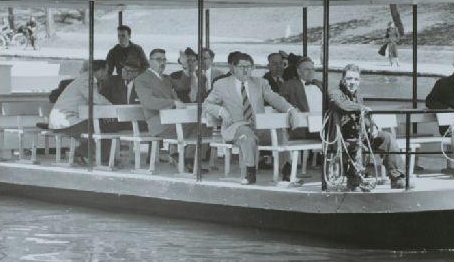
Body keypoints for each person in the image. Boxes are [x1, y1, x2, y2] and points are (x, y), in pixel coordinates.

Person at [203, 52, 298, 185]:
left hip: (257, 127)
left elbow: (274, 98)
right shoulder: (221, 84)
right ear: (233, 68)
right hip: (235, 127)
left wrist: (290, 109)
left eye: (248, 67)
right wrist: (221, 111)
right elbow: (207, 104)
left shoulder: (260, 83)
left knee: (279, 133)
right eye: (242, 66)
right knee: (247, 136)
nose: (245, 70)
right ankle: (250, 172)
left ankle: (287, 171)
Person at [329, 64, 406, 191]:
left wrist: (373, 126)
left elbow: (364, 117)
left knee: (387, 138)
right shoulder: (335, 93)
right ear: (343, 79)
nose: (353, 82)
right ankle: (354, 182)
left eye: (356, 79)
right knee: (359, 146)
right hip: (342, 138)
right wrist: (362, 108)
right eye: (349, 78)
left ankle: (398, 178)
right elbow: (342, 105)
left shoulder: (358, 96)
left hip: (361, 134)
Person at [135, 48, 198, 170]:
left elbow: (183, 85)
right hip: (158, 123)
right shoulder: (141, 79)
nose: (162, 63)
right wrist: (173, 103)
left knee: (202, 124)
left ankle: (187, 159)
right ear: (150, 61)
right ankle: (184, 159)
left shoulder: (166, 78)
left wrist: (185, 66)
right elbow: (148, 101)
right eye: (159, 60)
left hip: (173, 120)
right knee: (198, 124)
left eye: (164, 60)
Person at [280, 56, 323, 142]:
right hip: (303, 129)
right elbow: (280, 102)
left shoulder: (319, 84)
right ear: (298, 72)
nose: (311, 72)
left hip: (323, 128)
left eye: (312, 69)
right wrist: (292, 109)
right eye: (307, 69)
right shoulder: (290, 85)